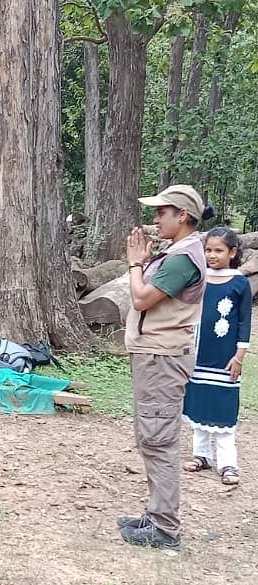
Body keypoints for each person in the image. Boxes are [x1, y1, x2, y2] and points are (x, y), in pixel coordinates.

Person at [118, 184, 211, 549]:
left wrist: (135, 263)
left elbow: (141, 298)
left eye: (162, 212)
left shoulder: (183, 258)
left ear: (182, 216)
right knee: (152, 437)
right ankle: (156, 514)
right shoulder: (177, 252)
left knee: (158, 439)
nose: (156, 219)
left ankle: (165, 528)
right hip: (155, 354)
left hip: (162, 357)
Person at [182, 227, 251, 486]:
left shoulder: (240, 283)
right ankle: (201, 455)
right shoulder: (200, 279)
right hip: (199, 355)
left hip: (225, 359)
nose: (212, 255)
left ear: (232, 252)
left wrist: (239, 356)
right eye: (208, 250)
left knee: (223, 408)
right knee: (198, 403)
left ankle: (228, 463)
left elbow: (244, 322)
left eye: (218, 250)